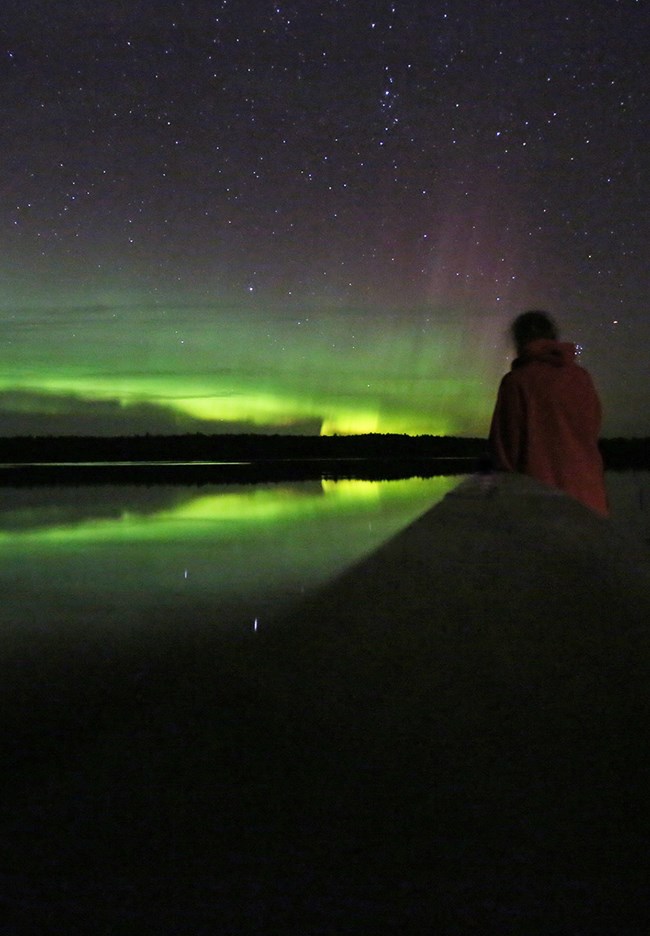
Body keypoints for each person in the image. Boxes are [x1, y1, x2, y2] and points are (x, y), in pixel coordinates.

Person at [489, 310, 608, 515]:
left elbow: (504, 451)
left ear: (519, 340)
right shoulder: (581, 377)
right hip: (590, 500)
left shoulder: (516, 381)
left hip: (541, 504)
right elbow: (592, 428)